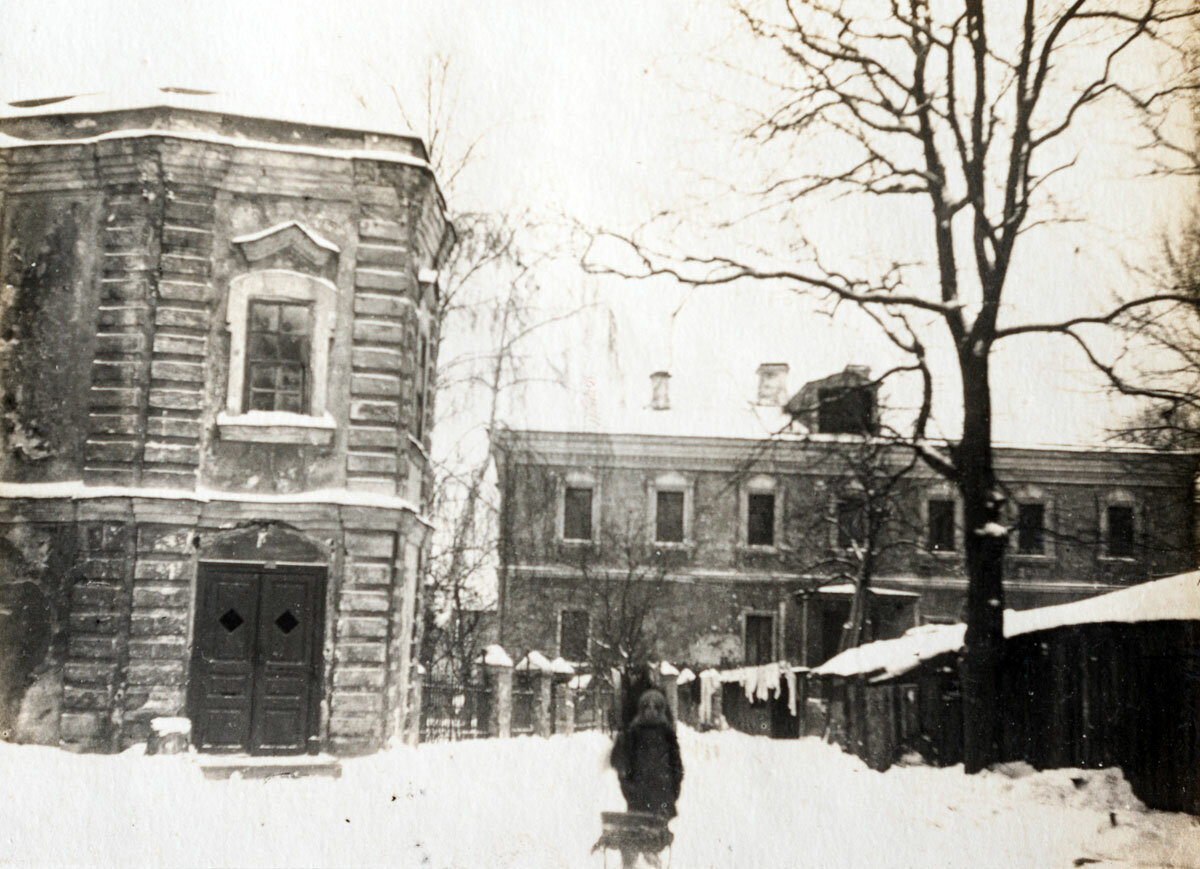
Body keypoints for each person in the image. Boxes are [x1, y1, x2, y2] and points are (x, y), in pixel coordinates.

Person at [609, 686, 683, 867]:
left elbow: (677, 767)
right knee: (633, 839)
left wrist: (672, 793)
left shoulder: (668, 734)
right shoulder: (633, 733)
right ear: (641, 709)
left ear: (661, 709)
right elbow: (623, 766)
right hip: (638, 796)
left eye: (655, 706)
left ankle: (652, 860)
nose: (651, 710)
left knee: (654, 841)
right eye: (647, 706)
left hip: (661, 796)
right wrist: (629, 789)